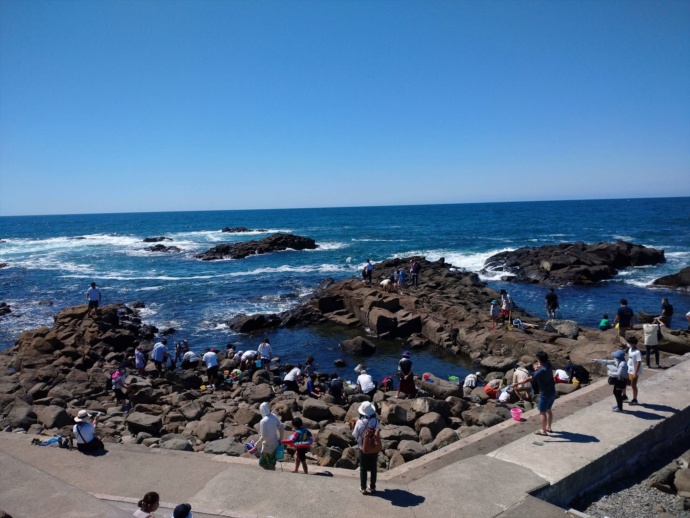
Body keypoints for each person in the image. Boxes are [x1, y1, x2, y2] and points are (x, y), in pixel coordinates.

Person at [512, 351, 556, 436]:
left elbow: (529, 379)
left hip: (544, 394)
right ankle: (548, 427)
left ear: (539, 359)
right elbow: (543, 367)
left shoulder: (541, 370)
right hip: (552, 392)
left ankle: (543, 431)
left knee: (542, 412)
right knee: (549, 410)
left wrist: (516, 384)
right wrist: (538, 367)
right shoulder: (549, 365)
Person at [353, 401, 380, 495]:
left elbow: (355, 435)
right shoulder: (376, 421)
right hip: (373, 447)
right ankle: (372, 487)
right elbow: (378, 431)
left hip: (362, 448)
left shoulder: (359, 422)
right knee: (373, 467)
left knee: (363, 468)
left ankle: (363, 487)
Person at [249, 402, 285, 470]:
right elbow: (281, 427)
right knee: (272, 461)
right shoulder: (274, 416)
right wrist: (280, 439)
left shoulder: (263, 421)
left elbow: (263, 436)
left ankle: (267, 476)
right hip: (275, 443)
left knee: (263, 463)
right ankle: (272, 474)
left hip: (267, 446)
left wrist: (257, 443)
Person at [624, 336, 642, 405]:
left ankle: (635, 399)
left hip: (634, 371)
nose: (628, 344)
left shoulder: (637, 352)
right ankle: (624, 396)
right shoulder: (630, 349)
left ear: (633, 344)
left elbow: (638, 362)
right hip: (629, 369)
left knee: (633, 385)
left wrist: (635, 372)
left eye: (629, 343)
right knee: (626, 383)